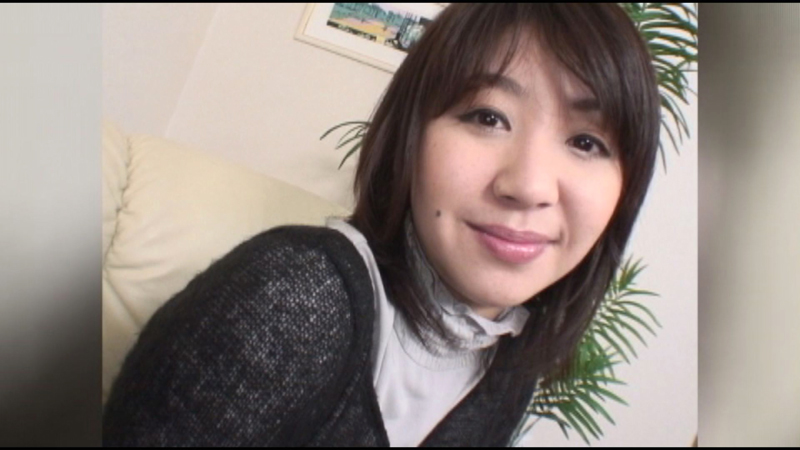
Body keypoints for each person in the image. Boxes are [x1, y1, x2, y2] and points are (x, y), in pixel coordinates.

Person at [102, 4, 660, 447]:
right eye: (488, 117)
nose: (530, 185)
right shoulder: (292, 298)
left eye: (586, 142)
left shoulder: (509, 359)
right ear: (411, 138)